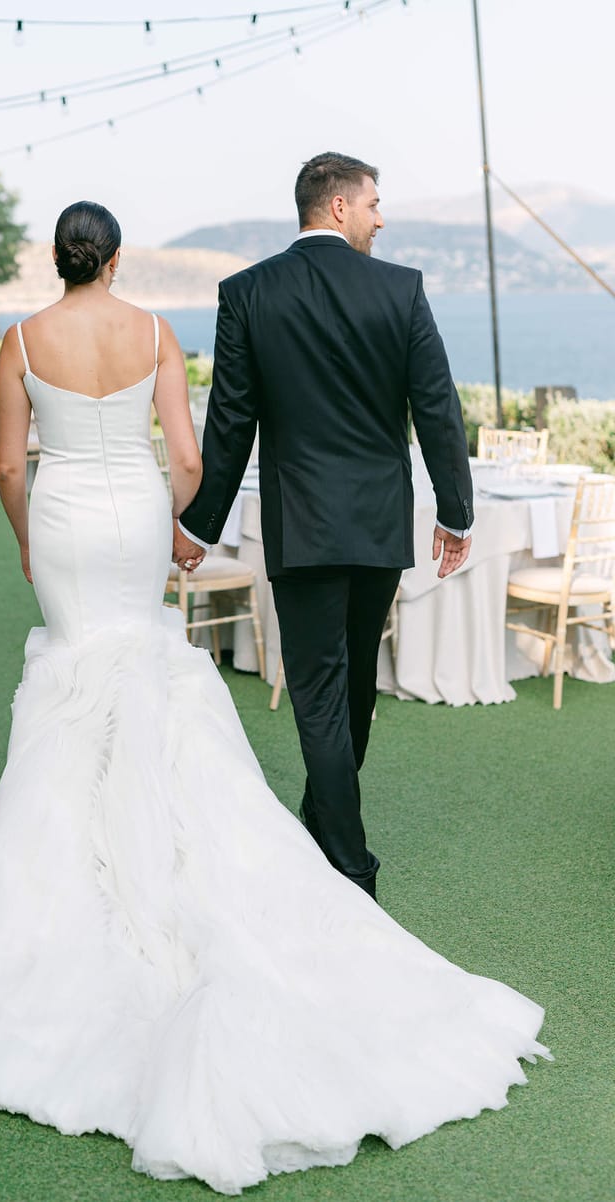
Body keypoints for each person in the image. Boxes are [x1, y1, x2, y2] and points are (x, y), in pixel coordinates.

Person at [0, 200, 548, 1197]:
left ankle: (75, 881)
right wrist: (178, 521)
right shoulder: (154, 333)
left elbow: (10, 463)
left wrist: (23, 533)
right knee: (141, 665)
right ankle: (189, 854)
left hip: (62, 518)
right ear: (116, 258)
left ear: (57, 259)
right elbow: (187, 455)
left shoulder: (20, 338)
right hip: (137, 517)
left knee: (75, 678)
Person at [175, 152, 474, 900]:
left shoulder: (248, 293)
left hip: (303, 523)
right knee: (354, 683)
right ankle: (337, 837)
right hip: (377, 524)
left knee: (321, 693)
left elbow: (230, 423)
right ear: (338, 207)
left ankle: (346, 861)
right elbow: (437, 406)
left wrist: (199, 525)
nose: (381, 218)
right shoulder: (401, 289)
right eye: (373, 204)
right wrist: (455, 511)